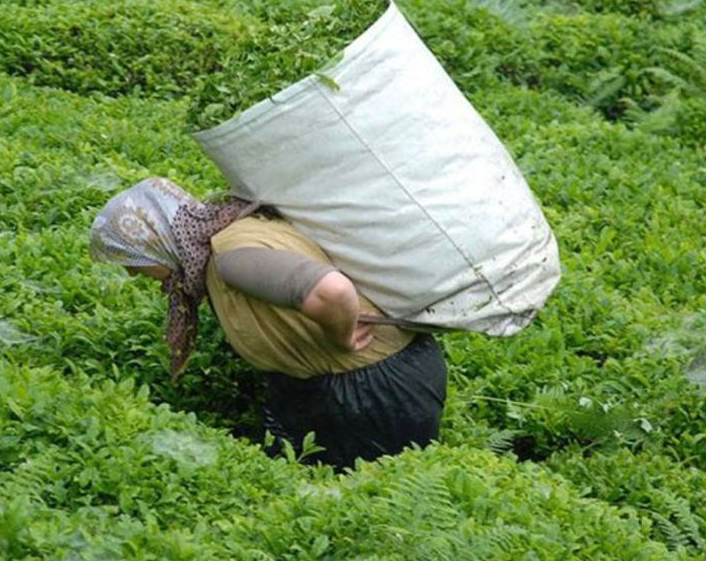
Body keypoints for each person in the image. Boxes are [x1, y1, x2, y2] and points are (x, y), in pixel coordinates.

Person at [89, 177, 447, 469]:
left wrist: (343, 337)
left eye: (131, 259)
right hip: (332, 386)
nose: (133, 273)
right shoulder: (220, 240)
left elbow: (332, 291)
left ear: (153, 237)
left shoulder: (231, 256)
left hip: (373, 392)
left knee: (362, 501)